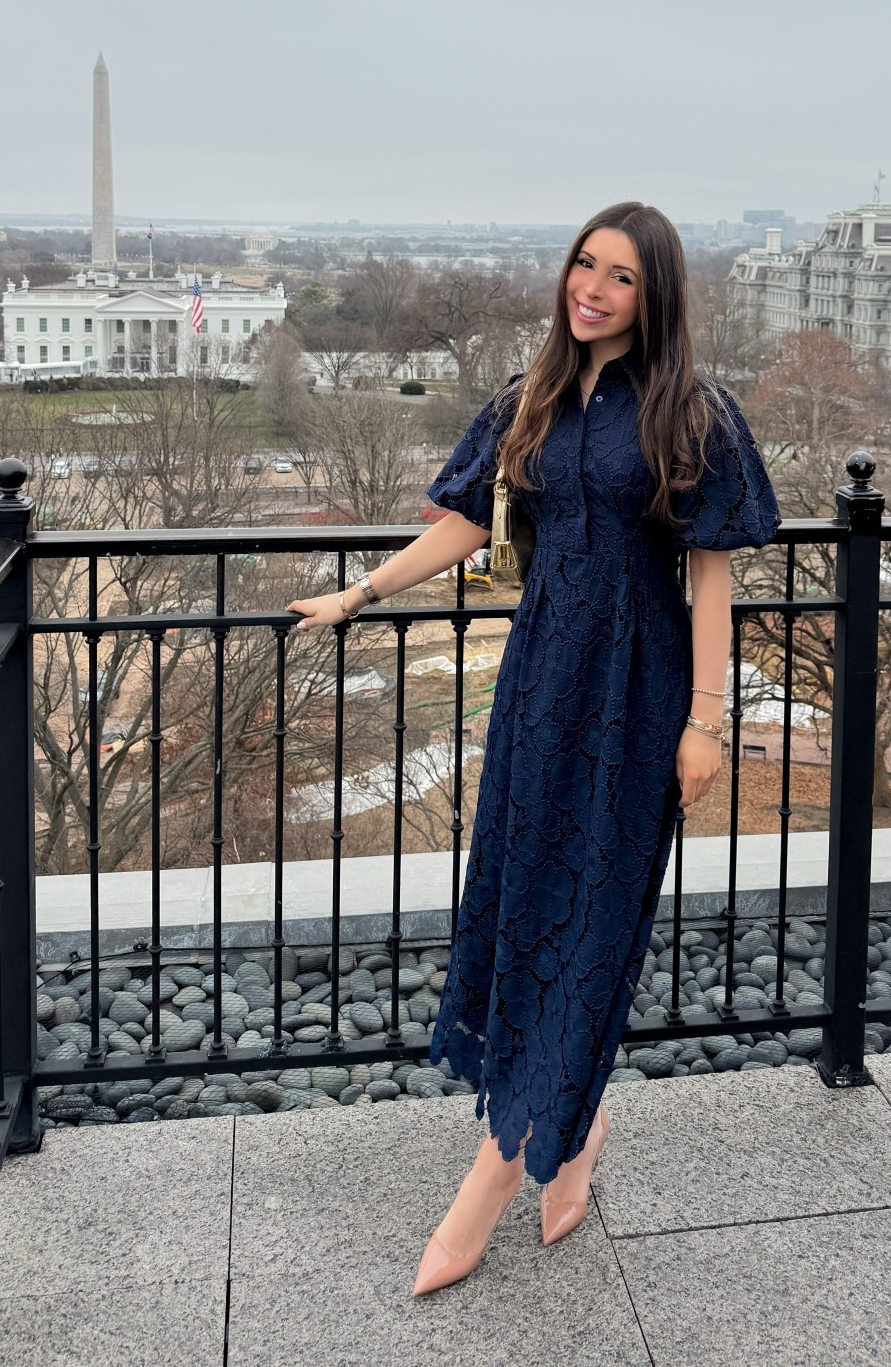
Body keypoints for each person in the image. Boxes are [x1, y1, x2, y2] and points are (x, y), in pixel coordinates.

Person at [287, 201, 781, 1296]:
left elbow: (712, 577)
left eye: (622, 276)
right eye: (584, 265)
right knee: (524, 897)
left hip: (639, 691)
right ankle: (575, 1120)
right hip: (541, 681)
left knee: (591, 915)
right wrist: (360, 593)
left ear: (656, 294)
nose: (593, 289)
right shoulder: (532, 396)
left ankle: (495, 1170)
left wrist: (705, 721)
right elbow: (470, 523)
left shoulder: (693, 411)